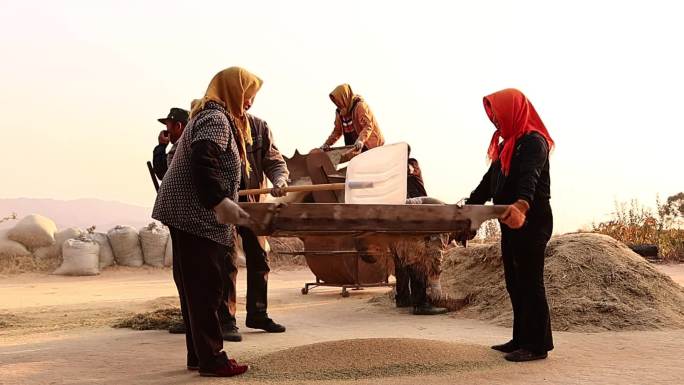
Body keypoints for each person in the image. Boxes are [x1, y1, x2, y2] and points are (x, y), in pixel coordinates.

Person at [152, 66, 261, 377]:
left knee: (193, 288)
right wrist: (220, 203)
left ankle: (198, 355)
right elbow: (203, 159)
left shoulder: (207, 114)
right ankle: (212, 359)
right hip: (195, 214)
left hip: (184, 212)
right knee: (206, 287)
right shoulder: (216, 119)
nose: (250, 103)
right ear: (233, 92)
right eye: (248, 95)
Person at [465, 88, 554, 362]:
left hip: (531, 221)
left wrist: (521, 206)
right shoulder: (506, 146)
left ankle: (537, 346)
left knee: (530, 282)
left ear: (512, 111)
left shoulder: (534, 142)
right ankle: (520, 338)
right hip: (509, 223)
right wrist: (468, 208)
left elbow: (530, 179)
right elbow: (488, 184)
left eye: (498, 116)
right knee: (514, 283)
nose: (496, 122)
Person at [223, 112, 290, 339]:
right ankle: (226, 319)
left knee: (259, 259)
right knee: (227, 262)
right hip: (225, 204)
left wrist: (280, 180)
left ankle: (258, 314)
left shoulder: (259, 127)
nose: (248, 100)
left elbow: (274, 161)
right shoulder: (219, 122)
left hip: (253, 204)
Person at [393, 154, 448, 315]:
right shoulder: (445, 216)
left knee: (401, 257)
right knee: (416, 258)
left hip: (396, 215)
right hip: (411, 218)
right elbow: (437, 249)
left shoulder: (399, 179)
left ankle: (403, 298)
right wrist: (435, 282)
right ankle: (421, 304)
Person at [320, 84, 384, 153]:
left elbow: (368, 126)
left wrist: (360, 140)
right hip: (355, 148)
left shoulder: (359, 106)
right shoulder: (339, 112)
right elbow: (337, 131)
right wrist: (327, 144)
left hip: (371, 146)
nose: (337, 103)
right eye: (335, 101)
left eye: (338, 100)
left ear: (344, 97)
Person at [152, 108, 189, 179]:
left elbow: (162, 171)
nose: (166, 131)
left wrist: (161, 145)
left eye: (167, 126)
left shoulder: (181, 149)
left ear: (178, 126)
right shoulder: (187, 145)